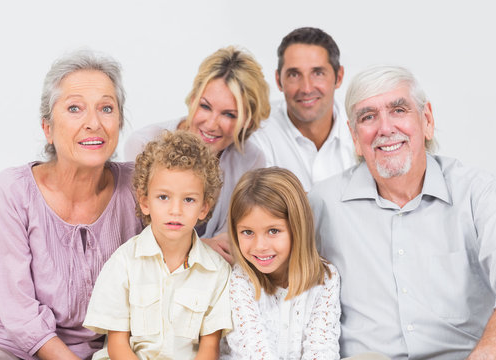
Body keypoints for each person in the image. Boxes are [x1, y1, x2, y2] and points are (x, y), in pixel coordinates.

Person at [309, 65, 496, 359]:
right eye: (368, 117)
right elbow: (265, 252)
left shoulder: (477, 193)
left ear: (427, 120)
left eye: (398, 110)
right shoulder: (321, 203)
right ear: (355, 137)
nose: (385, 128)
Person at [0, 50, 143, 359]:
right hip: (6, 345)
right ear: (47, 129)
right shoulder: (11, 192)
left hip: (99, 351)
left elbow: (181, 221)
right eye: (75, 108)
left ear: (120, 123)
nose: (94, 123)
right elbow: (19, 316)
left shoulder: (138, 186)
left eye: (106, 108)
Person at [83, 130, 232, 359]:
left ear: (204, 207)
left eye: (189, 200)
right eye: (163, 197)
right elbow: (117, 345)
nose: (176, 210)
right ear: (145, 202)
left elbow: (209, 349)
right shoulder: (124, 263)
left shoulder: (217, 272)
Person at [124, 46, 270, 263]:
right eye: (205, 106)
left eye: (229, 114)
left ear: (247, 121)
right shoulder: (144, 144)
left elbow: (239, 238)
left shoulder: (251, 159)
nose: (211, 124)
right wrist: (200, 247)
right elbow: (133, 236)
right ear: (192, 99)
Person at [220, 166, 340, 359]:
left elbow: (321, 348)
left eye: (273, 231)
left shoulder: (325, 277)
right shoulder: (240, 280)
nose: (260, 246)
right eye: (247, 232)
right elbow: (254, 351)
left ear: (297, 227)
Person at [250, 27, 355, 192]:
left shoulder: (362, 130)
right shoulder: (258, 135)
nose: (306, 88)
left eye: (318, 73)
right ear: (278, 81)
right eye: (294, 75)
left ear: (339, 77)